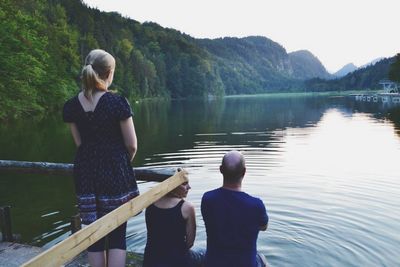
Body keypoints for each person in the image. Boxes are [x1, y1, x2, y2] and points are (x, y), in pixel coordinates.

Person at [63, 49, 139, 267]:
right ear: (109, 73)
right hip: (115, 172)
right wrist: (120, 163)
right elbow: (132, 145)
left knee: (93, 233)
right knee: (117, 233)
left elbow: (80, 144)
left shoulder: (71, 106)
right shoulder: (117, 103)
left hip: (86, 173)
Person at [201, 151, 269, 267]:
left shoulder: (208, 199)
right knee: (261, 257)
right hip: (246, 264)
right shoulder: (256, 205)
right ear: (244, 172)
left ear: (221, 169)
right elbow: (264, 227)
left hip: (214, 263)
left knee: (200, 251)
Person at [143, 179, 203, 267]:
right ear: (172, 185)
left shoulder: (150, 204)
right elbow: (190, 243)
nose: (189, 187)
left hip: (151, 260)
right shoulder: (187, 207)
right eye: (184, 184)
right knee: (205, 252)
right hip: (177, 261)